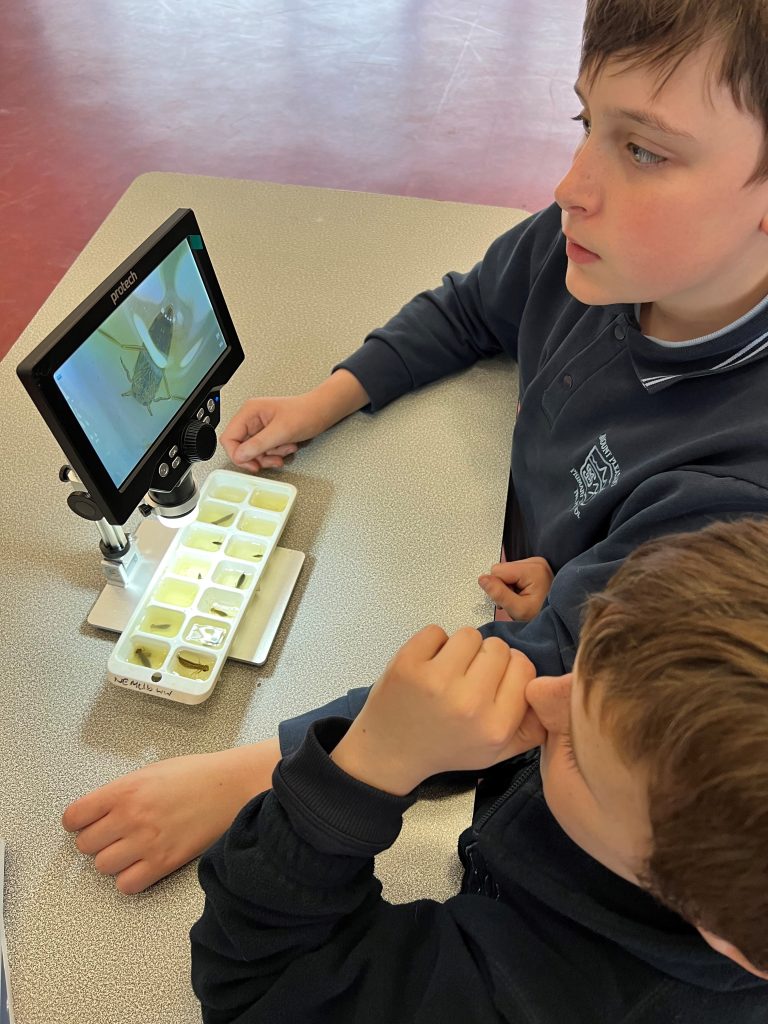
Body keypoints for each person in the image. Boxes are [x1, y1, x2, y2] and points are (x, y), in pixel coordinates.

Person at [62, 0, 768, 896]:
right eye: (585, 121)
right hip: (554, 566)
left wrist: (255, 777)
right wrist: (324, 401)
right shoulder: (595, 253)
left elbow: (544, 677)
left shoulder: (740, 485)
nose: (571, 186)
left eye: (644, 150)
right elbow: (471, 307)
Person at [190, 517, 768, 1022]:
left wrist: (364, 770)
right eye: (582, 661)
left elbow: (259, 991)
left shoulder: (540, 1002)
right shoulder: (689, 842)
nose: (541, 692)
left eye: (579, 751)